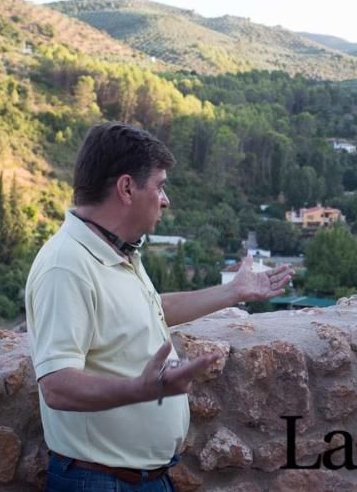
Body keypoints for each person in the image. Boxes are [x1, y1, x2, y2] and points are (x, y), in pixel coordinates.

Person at [25, 122, 293, 491]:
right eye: (160, 186)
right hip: (99, 481)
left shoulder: (117, 249)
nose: (165, 200)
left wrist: (234, 291)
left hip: (142, 478)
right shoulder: (66, 265)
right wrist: (140, 390)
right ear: (126, 188)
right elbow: (57, 386)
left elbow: (149, 310)